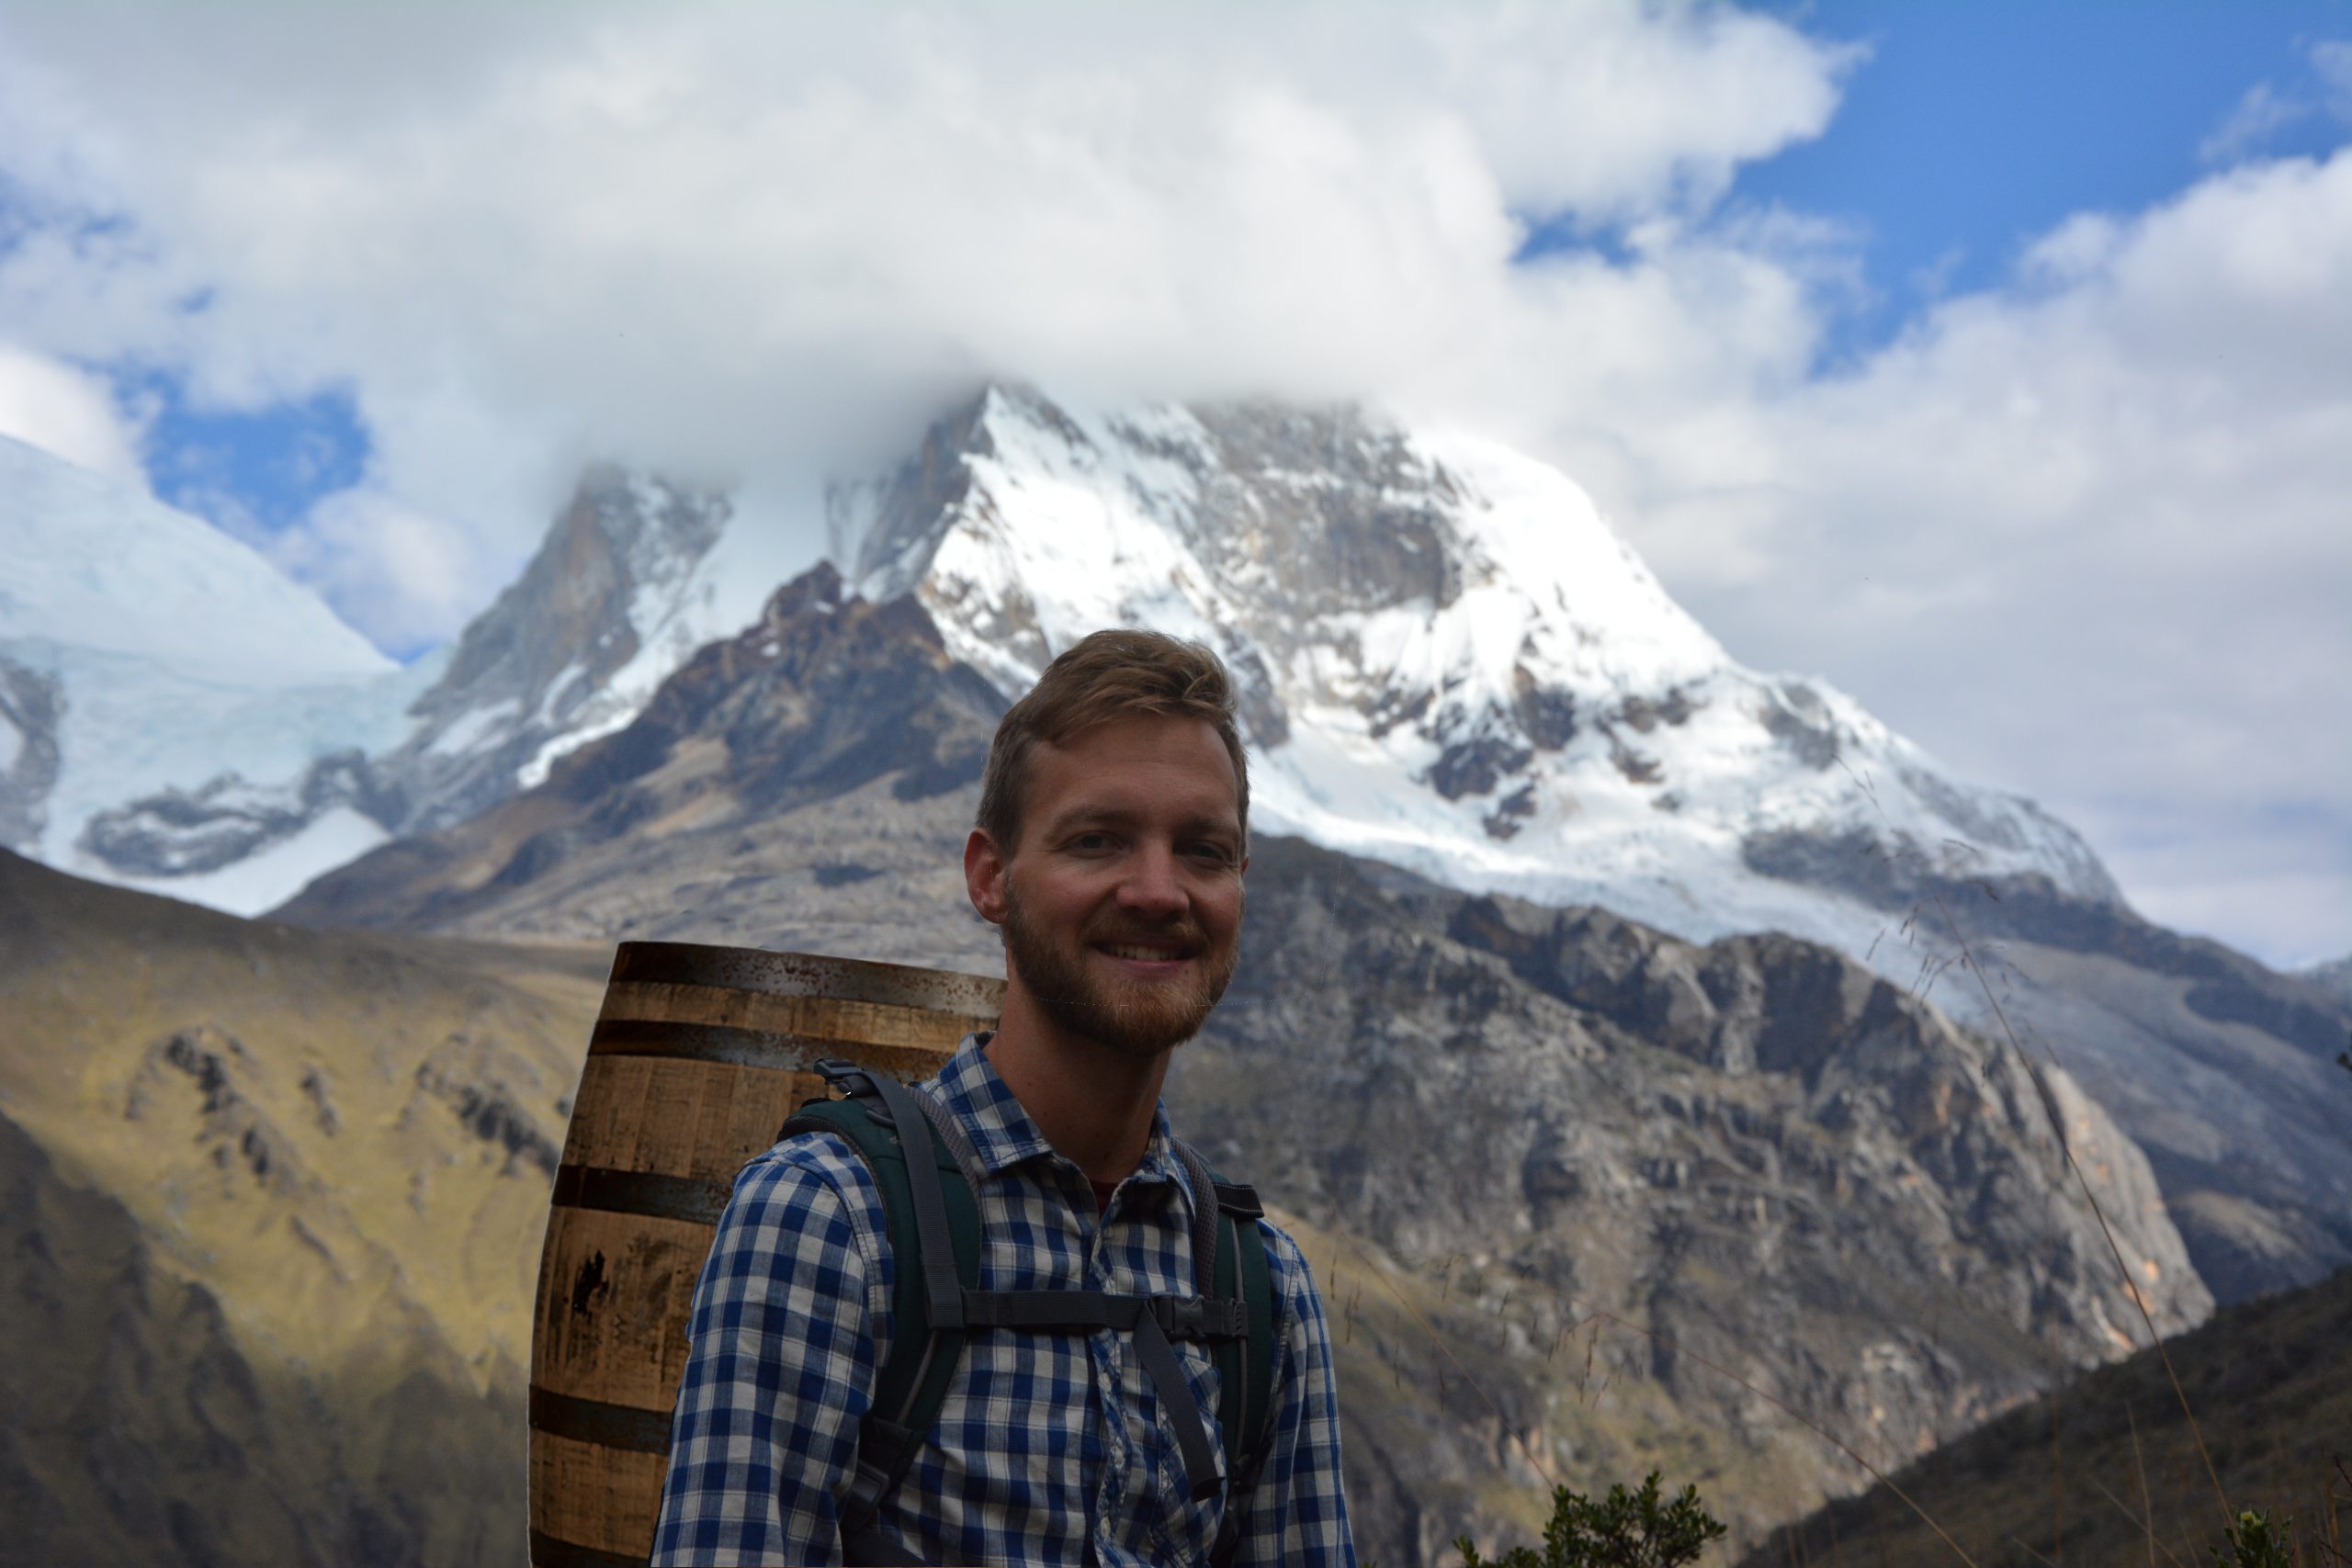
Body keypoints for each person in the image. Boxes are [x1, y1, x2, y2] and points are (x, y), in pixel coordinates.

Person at [650, 628, 1358, 1566]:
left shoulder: (1261, 1285)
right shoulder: (831, 1221)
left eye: (1202, 850)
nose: (1157, 891)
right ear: (991, 878)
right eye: (1096, 840)